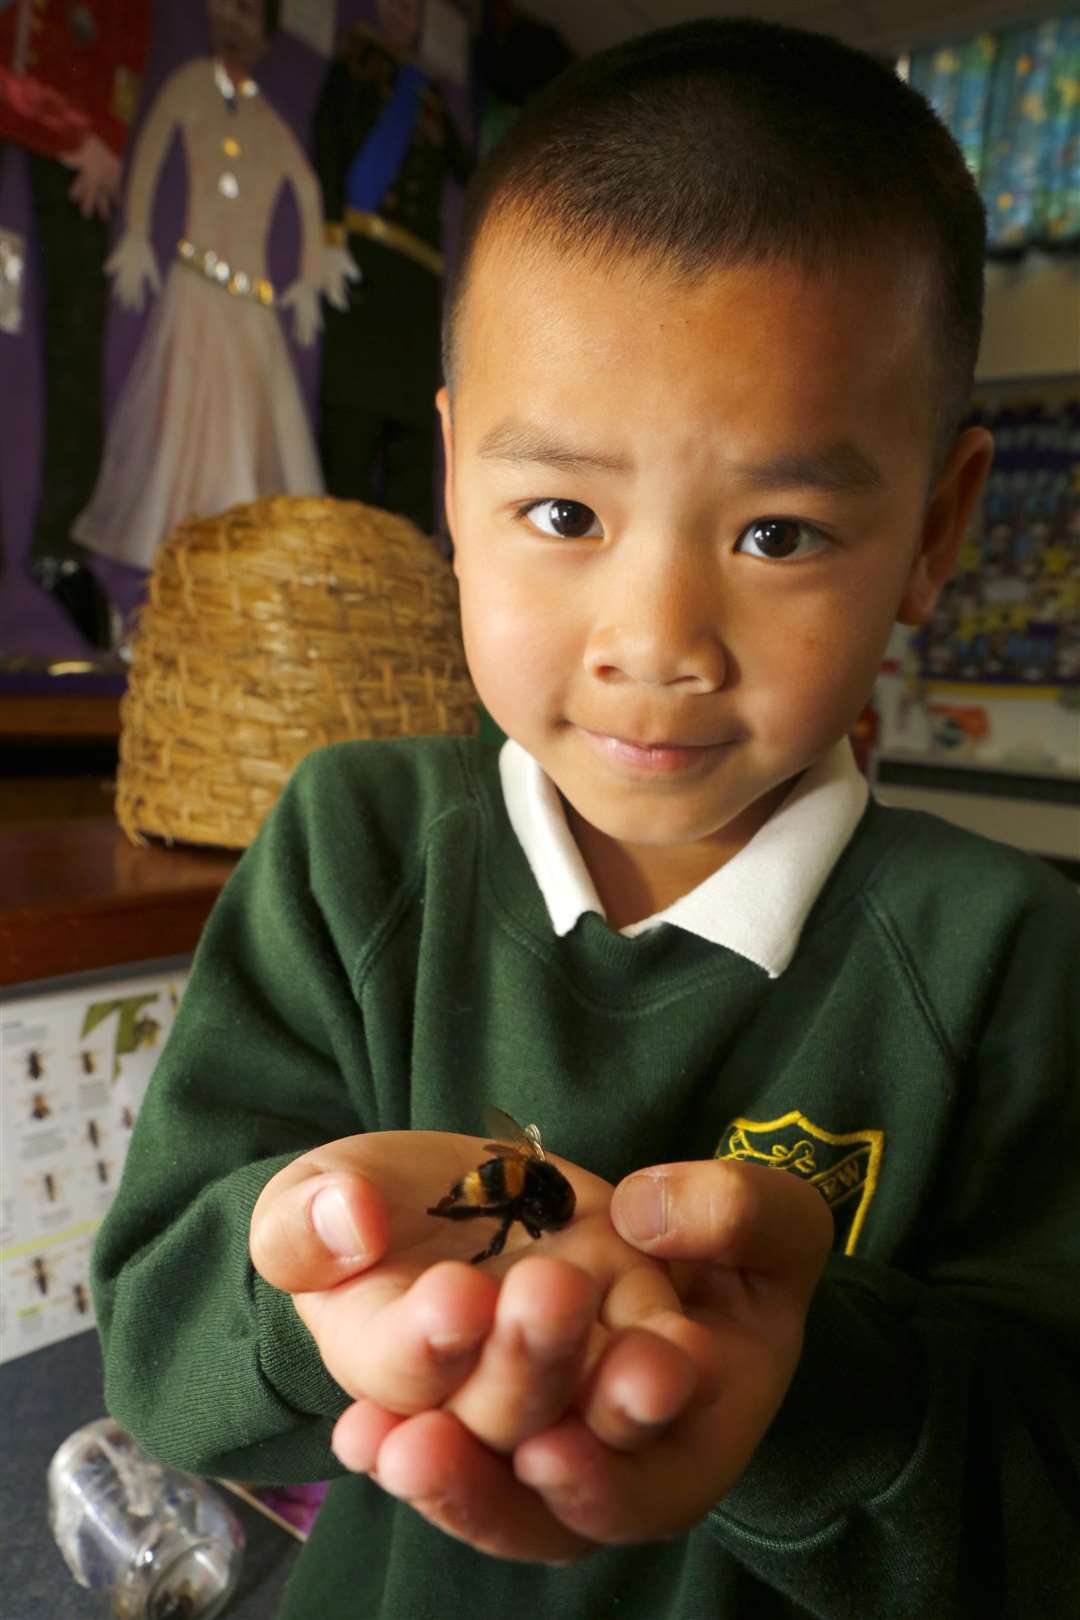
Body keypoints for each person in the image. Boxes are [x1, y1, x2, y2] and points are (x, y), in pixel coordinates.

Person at [91, 19, 1080, 1620]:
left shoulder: (1010, 958)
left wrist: (804, 1387)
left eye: (777, 532)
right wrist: (308, 1288)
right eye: (562, 514)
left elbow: (1043, 1516)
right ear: (454, 498)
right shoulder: (353, 850)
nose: (655, 638)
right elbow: (154, 1346)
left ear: (935, 530)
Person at [71, 0, 331, 574]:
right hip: (196, 290)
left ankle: (231, 574)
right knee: (183, 440)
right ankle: (178, 579)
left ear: (266, 37)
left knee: (249, 444)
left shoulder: (267, 117)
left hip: (252, 307)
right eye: (228, 8)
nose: (235, 22)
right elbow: (155, 145)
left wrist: (310, 278)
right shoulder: (191, 86)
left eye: (248, 13)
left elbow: (307, 188)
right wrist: (138, 234)